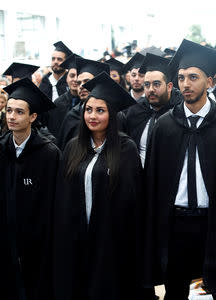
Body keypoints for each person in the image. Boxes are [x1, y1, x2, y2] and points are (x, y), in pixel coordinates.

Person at [142, 39, 216, 300]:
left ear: (209, 81)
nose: (185, 84)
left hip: (215, 224)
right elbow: (153, 184)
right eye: (181, 77)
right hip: (176, 224)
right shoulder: (165, 127)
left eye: (193, 77)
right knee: (175, 291)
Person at [53, 72, 141, 300]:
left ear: (112, 114)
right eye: (88, 109)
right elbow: (62, 197)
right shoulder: (74, 147)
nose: (92, 115)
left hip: (110, 243)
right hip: (76, 239)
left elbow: (130, 202)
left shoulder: (125, 149)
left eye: (100, 110)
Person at [1, 78, 60, 300]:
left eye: (19, 112)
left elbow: (54, 203)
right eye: (8, 110)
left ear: (33, 117)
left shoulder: (48, 154)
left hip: (38, 243)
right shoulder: (1, 149)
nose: (11, 117)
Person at [121, 53, 183, 167]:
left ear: (169, 87)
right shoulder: (135, 110)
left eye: (156, 84)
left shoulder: (180, 112)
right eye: (147, 85)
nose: (151, 90)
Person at [58, 58, 110, 150]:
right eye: (79, 83)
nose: (81, 86)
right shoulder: (71, 116)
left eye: (87, 81)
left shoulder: (114, 115)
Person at [47, 54, 80, 137]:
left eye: (78, 76)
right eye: (72, 76)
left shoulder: (88, 102)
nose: (75, 79)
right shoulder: (58, 103)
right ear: (66, 78)